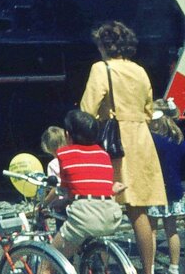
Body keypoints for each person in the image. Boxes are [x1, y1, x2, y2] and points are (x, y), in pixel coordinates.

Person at [80, 20, 166, 274]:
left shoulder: (101, 68)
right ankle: (147, 269)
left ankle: (101, 264)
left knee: (104, 202)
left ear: (104, 45)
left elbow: (87, 109)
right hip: (142, 139)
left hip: (115, 141)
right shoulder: (140, 71)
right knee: (140, 207)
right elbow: (149, 110)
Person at [48, 109, 125, 261]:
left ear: (68, 135)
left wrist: (47, 204)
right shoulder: (104, 155)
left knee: (49, 261)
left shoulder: (64, 154)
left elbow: (64, 190)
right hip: (111, 215)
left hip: (84, 217)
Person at [149, 98, 185, 274]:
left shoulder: (153, 140)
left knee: (152, 231)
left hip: (156, 189)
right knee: (172, 230)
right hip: (175, 189)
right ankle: (174, 267)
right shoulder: (179, 139)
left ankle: (151, 267)